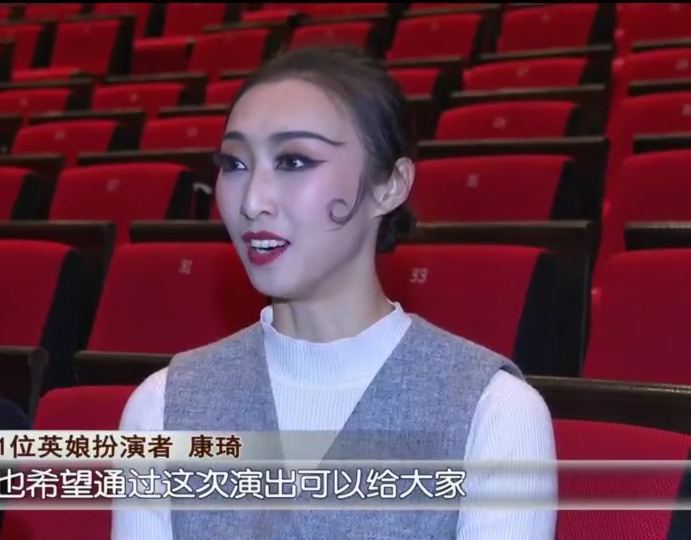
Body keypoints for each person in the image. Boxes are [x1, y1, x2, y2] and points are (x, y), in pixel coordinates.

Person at [112, 45, 557, 540]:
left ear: (390, 186)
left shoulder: (493, 412)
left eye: (294, 161)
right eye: (234, 163)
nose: (252, 201)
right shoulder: (164, 406)